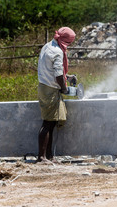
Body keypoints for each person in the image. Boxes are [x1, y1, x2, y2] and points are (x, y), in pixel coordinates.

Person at [37, 27, 76, 163]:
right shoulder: (58, 52)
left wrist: (68, 76)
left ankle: (49, 156)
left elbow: (51, 70)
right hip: (50, 90)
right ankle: (41, 157)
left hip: (44, 86)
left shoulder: (48, 46)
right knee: (47, 123)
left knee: (51, 123)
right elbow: (58, 75)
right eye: (69, 42)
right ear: (65, 41)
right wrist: (64, 88)